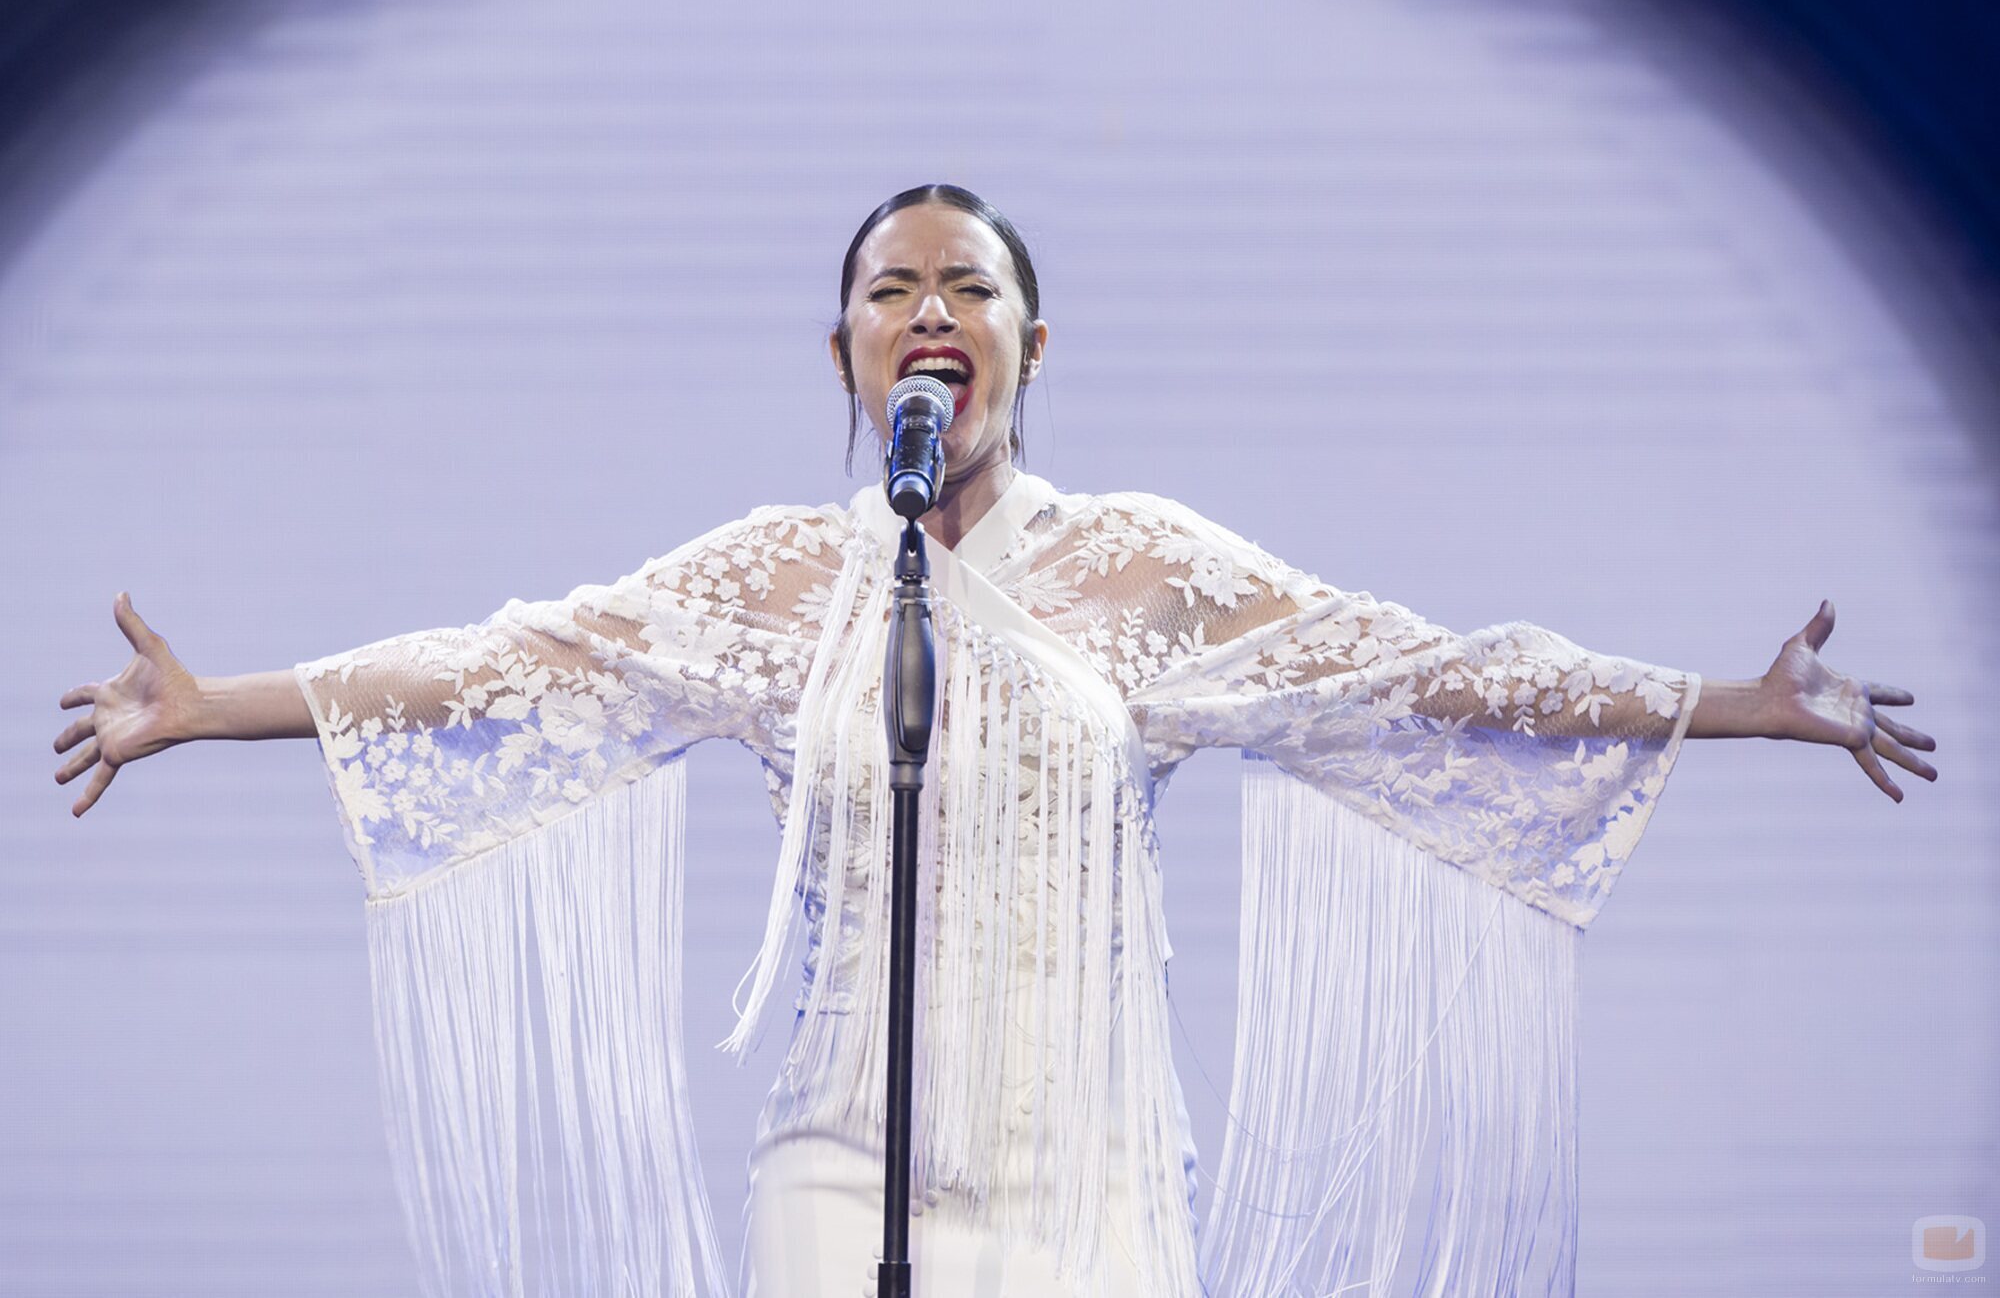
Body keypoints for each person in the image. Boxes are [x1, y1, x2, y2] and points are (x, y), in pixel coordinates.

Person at [52, 184, 1938, 1298]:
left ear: (1035, 344)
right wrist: (214, 704)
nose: (931, 312)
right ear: (845, 351)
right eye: (893, 289)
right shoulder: (789, 577)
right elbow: (514, 665)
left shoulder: (1142, 572)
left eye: (969, 289)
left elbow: (1424, 678)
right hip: (836, 1157)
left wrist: (1741, 699)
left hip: (1090, 1178)